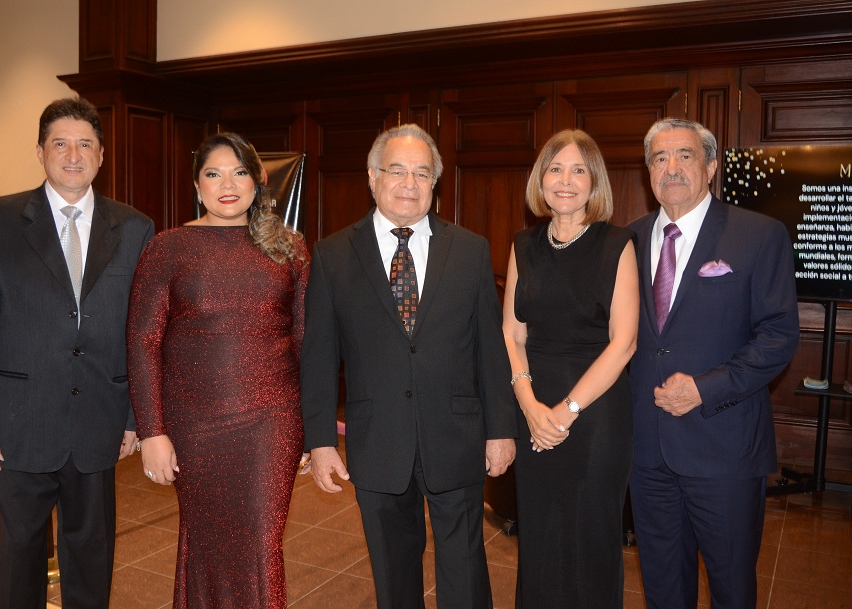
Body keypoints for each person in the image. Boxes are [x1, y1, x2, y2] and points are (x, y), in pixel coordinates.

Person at [300, 123, 517, 609]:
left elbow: (490, 347)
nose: (410, 184)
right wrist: (318, 442)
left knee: (464, 570)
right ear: (373, 177)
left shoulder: (470, 249)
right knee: (394, 576)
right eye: (397, 171)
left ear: (435, 184)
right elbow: (317, 357)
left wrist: (501, 429)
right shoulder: (333, 255)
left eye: (422, 173)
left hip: (456, 436)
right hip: (378, 439)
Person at [0, 97, 154, 609]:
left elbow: (141, 332)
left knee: (91, 555)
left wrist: (136, 414)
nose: (73, 154)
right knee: (19, 555)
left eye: (85, 144)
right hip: (19, 420)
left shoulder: (134, 229)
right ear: (40, 151)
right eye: (60, 143)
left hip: (99, 420)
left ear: (102, 155)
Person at [127, 132, 309, 609]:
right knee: (204, 542)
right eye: (213, 173)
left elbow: (309, 343)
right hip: (194, 426)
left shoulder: (290, 249)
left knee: (261, 544)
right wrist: (152, 431)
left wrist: (313, 430)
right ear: (196, 183)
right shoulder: (168, 247)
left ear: (258, 180)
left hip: (273, 422)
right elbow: (142, 344)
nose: (227, 184)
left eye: (239, 172)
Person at [627, 118, 799, 609]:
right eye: (660, 158)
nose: (672, 167)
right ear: (648, 173)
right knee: (662, 588)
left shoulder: (758, 235)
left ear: (711, 167)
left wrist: (706, 388)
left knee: (731, 588)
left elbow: (778, 336)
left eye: (685, 155)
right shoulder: (627, 242)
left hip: (724, 447)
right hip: (647, 452)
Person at [502, 129, 639, 608]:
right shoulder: (523, 244)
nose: (566, 179)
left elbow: (624, 344)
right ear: (540, 182)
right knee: (539, 536)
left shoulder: (618, 244)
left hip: (595, 414)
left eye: (578, 169)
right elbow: (512, 334)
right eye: (555, 169)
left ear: (594, 181)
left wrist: (565, 411)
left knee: (592, 538)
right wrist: (530, 405)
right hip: (533, 409)